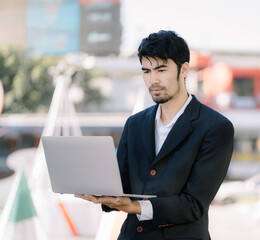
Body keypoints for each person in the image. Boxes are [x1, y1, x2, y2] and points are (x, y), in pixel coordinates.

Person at [75, 30, 234, 240]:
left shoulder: (215, 127)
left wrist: (136, 207)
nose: (153, 80)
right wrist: (99, 190)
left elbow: (193, 205)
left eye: (161, 70)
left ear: (184, 69)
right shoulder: (134, 124)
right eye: (146, 71)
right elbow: (121, 186)